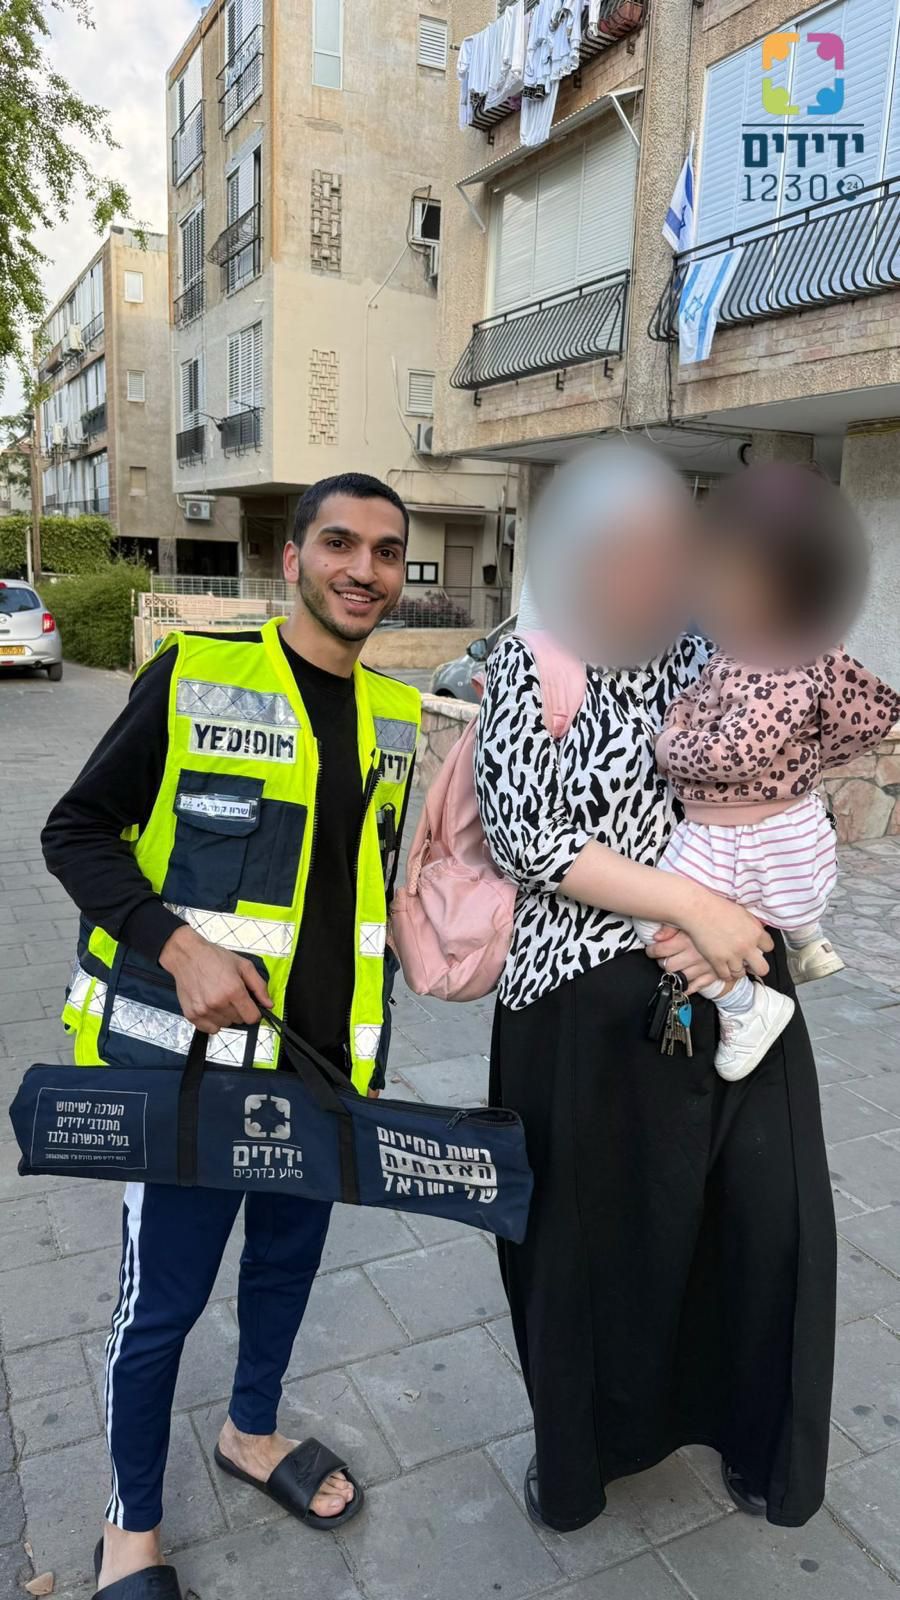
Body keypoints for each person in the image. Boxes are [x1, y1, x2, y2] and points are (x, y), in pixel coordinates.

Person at [42, 473, 420, 1600]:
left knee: (285, 1267)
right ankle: (130, 1530)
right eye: (340, 543)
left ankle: (251, 1431)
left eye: (387, 552)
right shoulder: (199, 671)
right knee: (160, 1306)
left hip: (322, 1068)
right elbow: (76, 830)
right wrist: (178, 947)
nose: (363, 569)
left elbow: (359, 888)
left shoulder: (397, 717)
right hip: (189, 1071)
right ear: (294, 557)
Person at [475, 446, 837, 1535]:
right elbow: (525, 832)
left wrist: (738, 913)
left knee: (767, 1227)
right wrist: (691, 905)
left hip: (736, 981)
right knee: (586, 1251)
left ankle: (751, 1439)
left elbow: (788, 791)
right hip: (579, 1001)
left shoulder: (727, 649)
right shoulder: (537, 654)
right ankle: (581, 1462)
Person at [633, 465, 900, 1082]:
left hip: (743, 832)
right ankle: (803, 945)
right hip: (754, 826)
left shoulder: (779, 661)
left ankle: (748, 1005)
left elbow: (735, 753)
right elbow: (696, 703)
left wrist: (669, 746)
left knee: (657, 919)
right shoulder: (750, 651)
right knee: (747, 915)